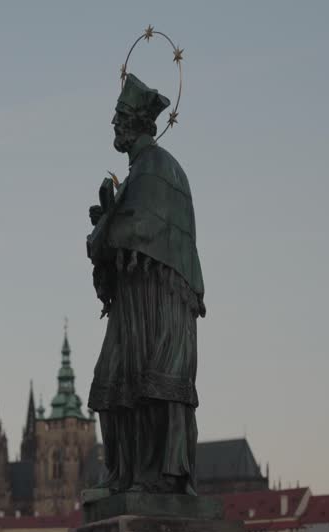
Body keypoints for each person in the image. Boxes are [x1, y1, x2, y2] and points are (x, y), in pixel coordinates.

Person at [86, 73, 205, 495]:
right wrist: (109, 218)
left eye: (119, 117)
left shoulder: (155, 167)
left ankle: (151, 477)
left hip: (156, 299)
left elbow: (136, 231)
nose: (114, 126)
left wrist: (101, 232)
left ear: (136, 122)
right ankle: (126, 475)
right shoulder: (144, 171)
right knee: (112, 384)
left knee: (145, 382)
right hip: (140, 295)